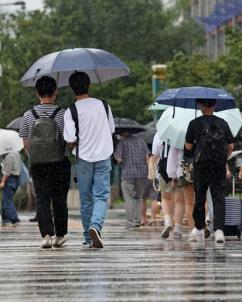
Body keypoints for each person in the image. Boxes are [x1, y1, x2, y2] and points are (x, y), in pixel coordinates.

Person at [63, 72, 115, 249]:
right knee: (101, 196)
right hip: (104, 155)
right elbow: (111, 129)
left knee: (86, 200)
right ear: (89, 85)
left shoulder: (70, 111)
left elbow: (70, 139)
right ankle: (96, 226)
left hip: (83, 158)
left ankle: (87, 237)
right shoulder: (104, 105)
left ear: (72, 89)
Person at [19, 76, 71, 248]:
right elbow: (68, 140)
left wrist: (34, 156)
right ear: (55, 92)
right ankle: (60, 235)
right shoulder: (63, 114)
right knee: (59, 199)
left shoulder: (28, 115)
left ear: (37, 93)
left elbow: (26, 142)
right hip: (59, 163)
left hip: (38, 164)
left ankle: (46, 236)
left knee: (42, 198)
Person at [185, 98, 234, 244]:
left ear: (200, 105)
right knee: (218, 198)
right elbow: (231, 145)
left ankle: (199, 229)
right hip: (218, 165)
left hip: (201, 166)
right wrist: (223, 158)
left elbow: (188, 146)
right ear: (214, 105)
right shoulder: (223, 123)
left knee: (200, 197)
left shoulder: (194, 124)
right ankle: (219, 231)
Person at [113, 130, 150, 229]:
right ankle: (138, 220)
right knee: (138, 198)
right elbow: (147, 156)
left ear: (124, 133)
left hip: (127, 174)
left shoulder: (122, 143)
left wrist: (120, 160)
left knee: (129, 198)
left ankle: (130, 222)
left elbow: (118, 158)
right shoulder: (141, 141)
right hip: (142, 174)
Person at [1, 151, 22, 226]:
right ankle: (5, 219)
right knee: (5, 199)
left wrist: (3, 181)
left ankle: (14, 219)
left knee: (7, 200)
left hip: (10, 179)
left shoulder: (8, 157)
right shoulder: (17, 153)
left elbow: (7, 172)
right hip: (16, 178)